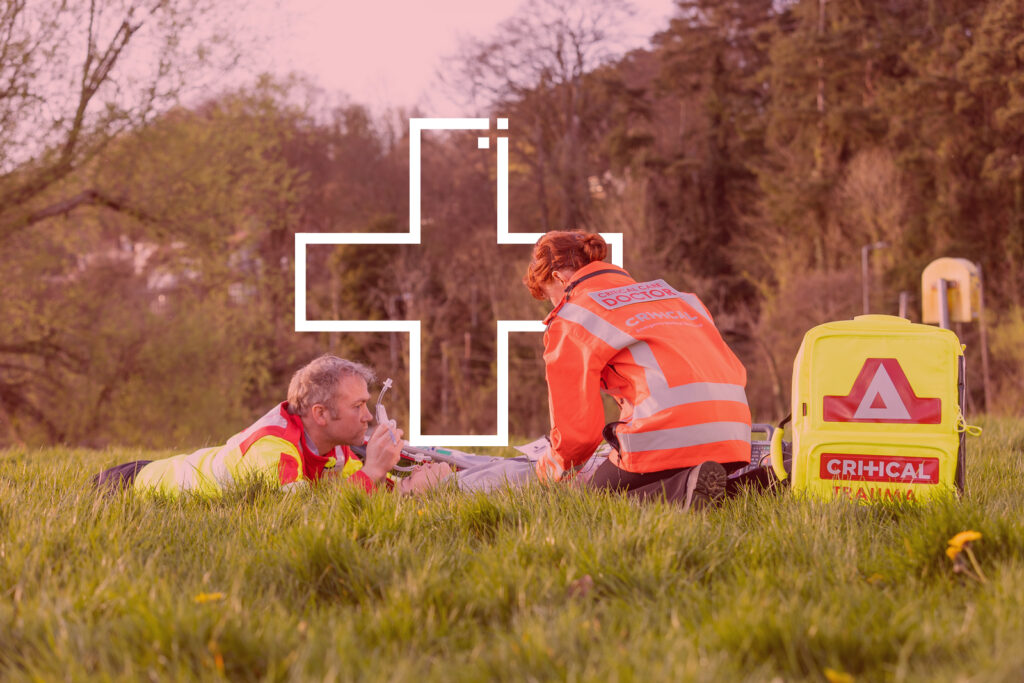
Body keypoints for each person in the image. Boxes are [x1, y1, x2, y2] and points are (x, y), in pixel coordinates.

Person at [523, 230, 751, 510]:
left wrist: (548, 473)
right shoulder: (681, 298)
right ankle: (762, 482)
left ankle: (683, 488)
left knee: (591, 504)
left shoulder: (573, 316)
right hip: (734, 436)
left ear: (559, 278)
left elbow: (577, 437)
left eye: (551, 297)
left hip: (666, 437)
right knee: (681, 474)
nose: (555, 305)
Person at [93, 354, 449, 496]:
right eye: (357, 406)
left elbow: (352, 495)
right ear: (321, 414)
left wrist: (408, 487)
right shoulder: (272, 451)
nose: (369, 416)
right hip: (128, 485)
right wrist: (372, 471)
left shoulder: (334, 446)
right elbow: (306, 516)